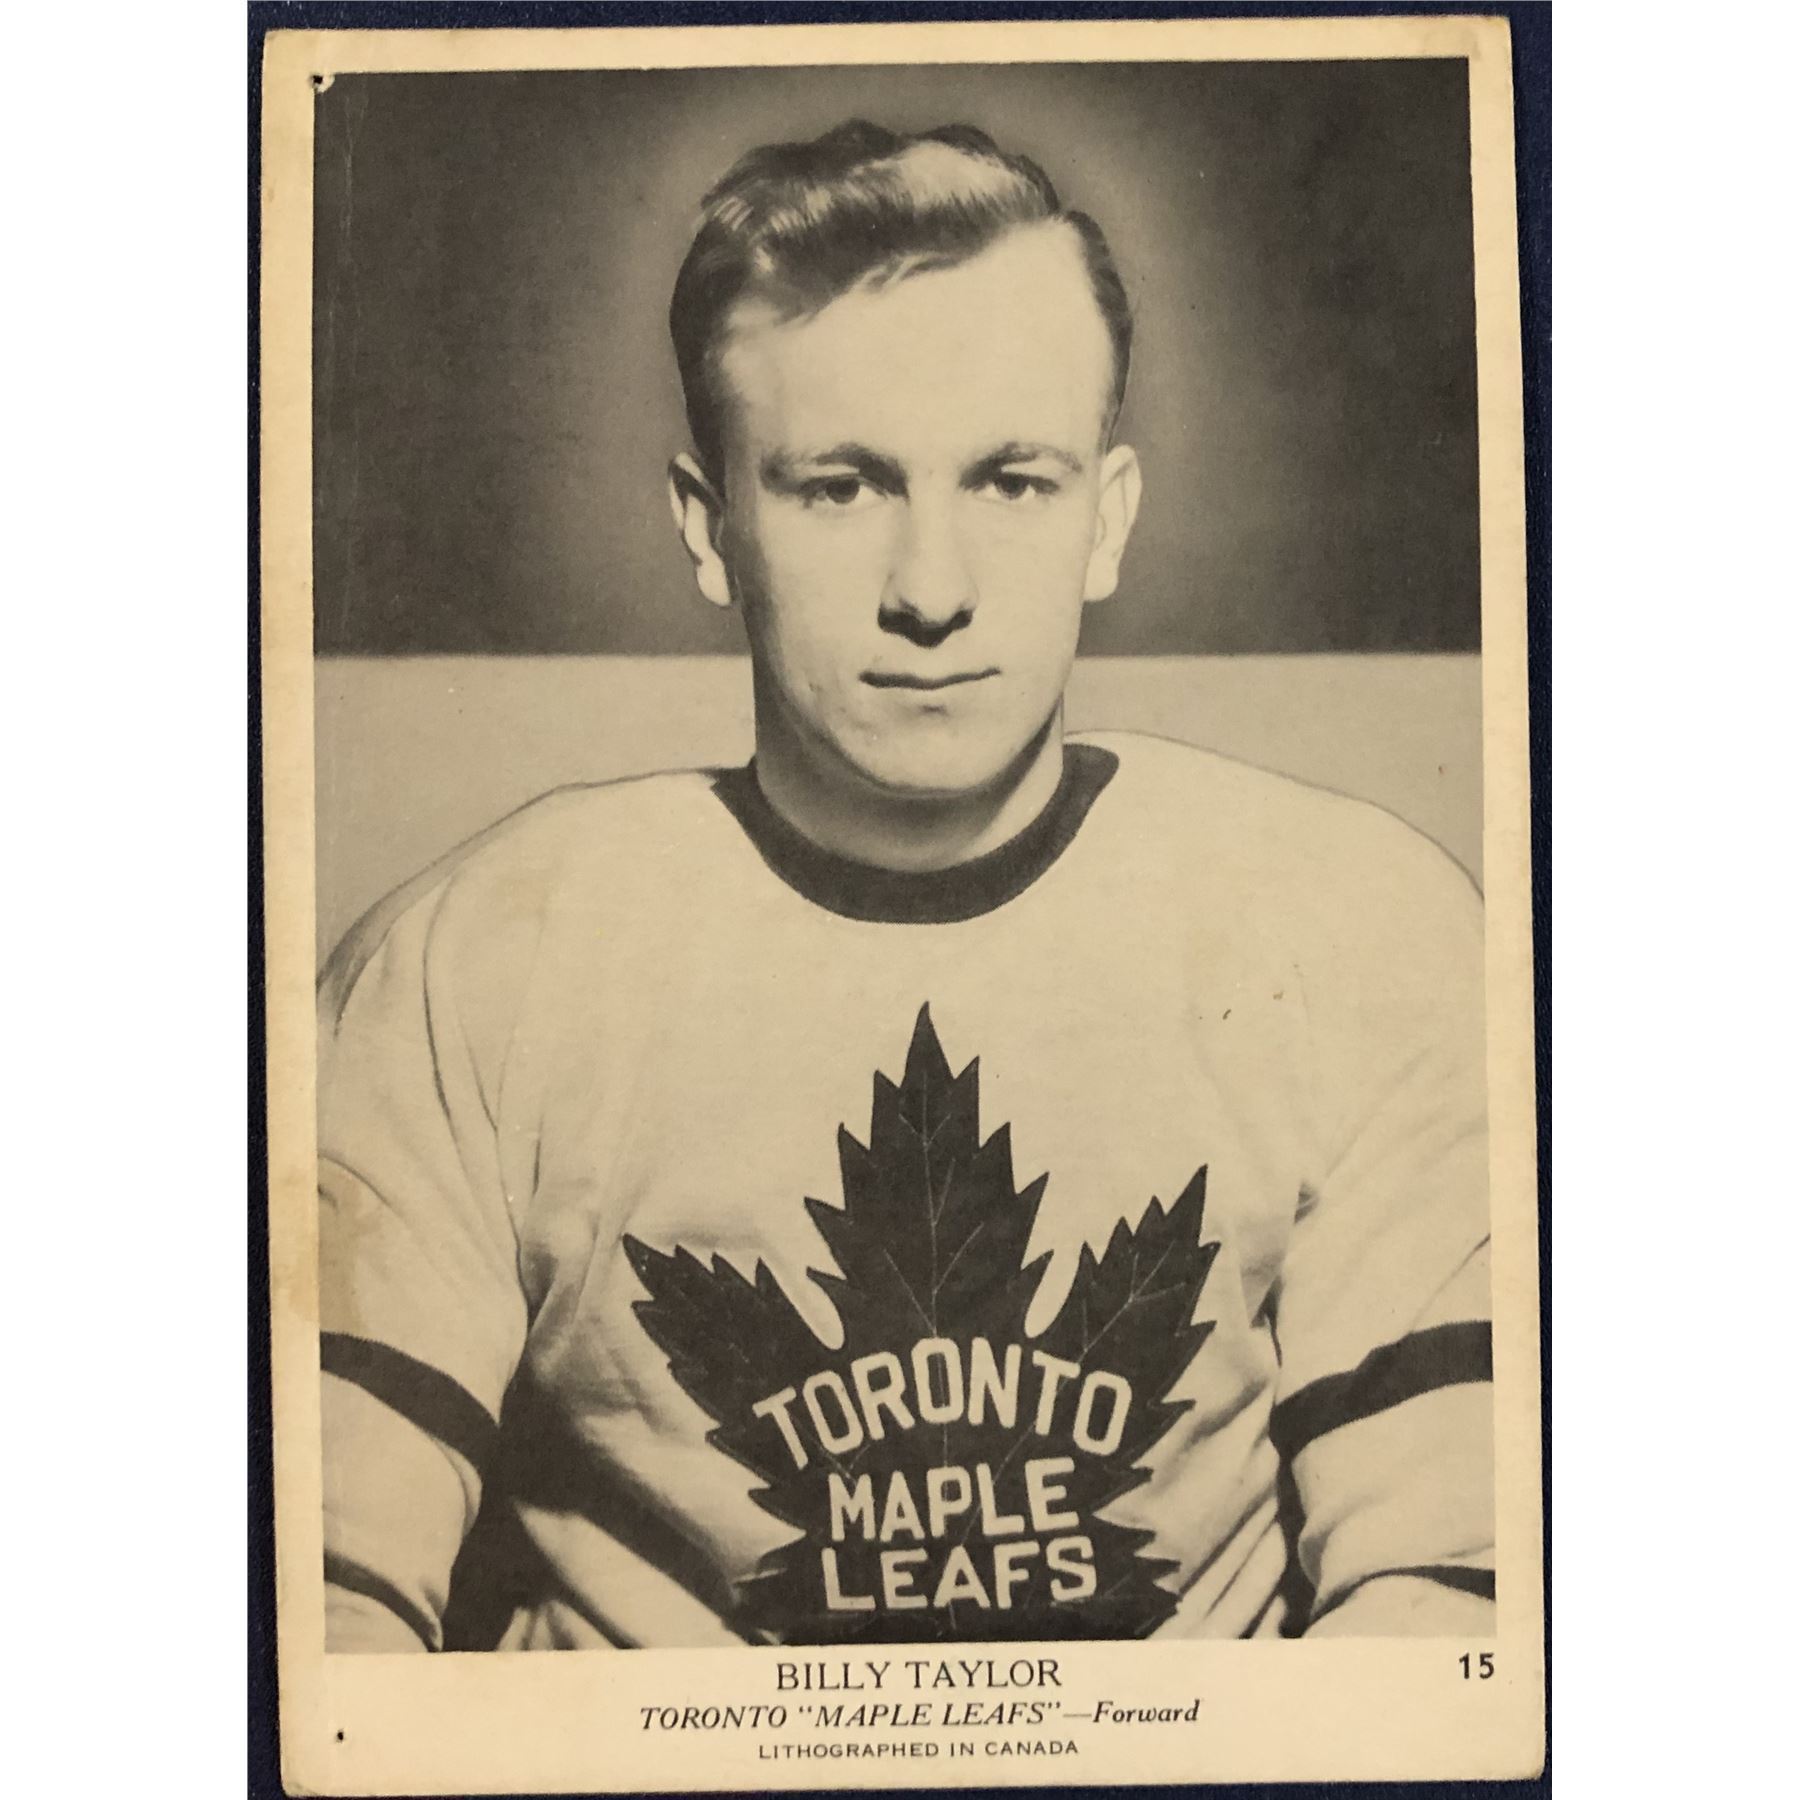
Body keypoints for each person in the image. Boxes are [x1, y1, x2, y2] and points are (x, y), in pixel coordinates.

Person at [317, 120, 1494, 1652]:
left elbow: (1447, 1612)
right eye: (839, 487)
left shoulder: (1359, 928)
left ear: (1107, 519)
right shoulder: (475, 962)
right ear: (711, 529)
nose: (932, 591)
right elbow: (318, 1623)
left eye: (1011, 482)